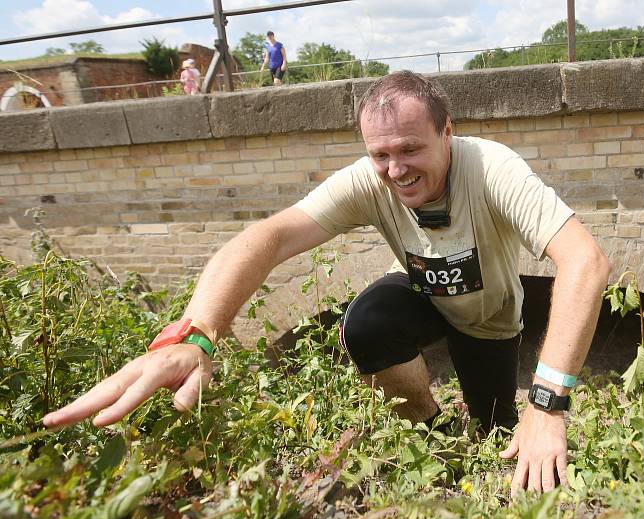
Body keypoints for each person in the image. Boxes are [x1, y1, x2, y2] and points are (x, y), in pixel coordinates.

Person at [42, 71, 610, 496]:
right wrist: (195, 334)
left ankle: (491, 435)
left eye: (411, 149)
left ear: (448, 134)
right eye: (380, 155)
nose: (396, 170)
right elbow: (267, 237)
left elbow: (585, 261)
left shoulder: (492, 168)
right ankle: (426, 425)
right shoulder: (371, 180)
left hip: (490, 320)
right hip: (419, 295)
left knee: (500, 435)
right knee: (366, 325)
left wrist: (548, 404)